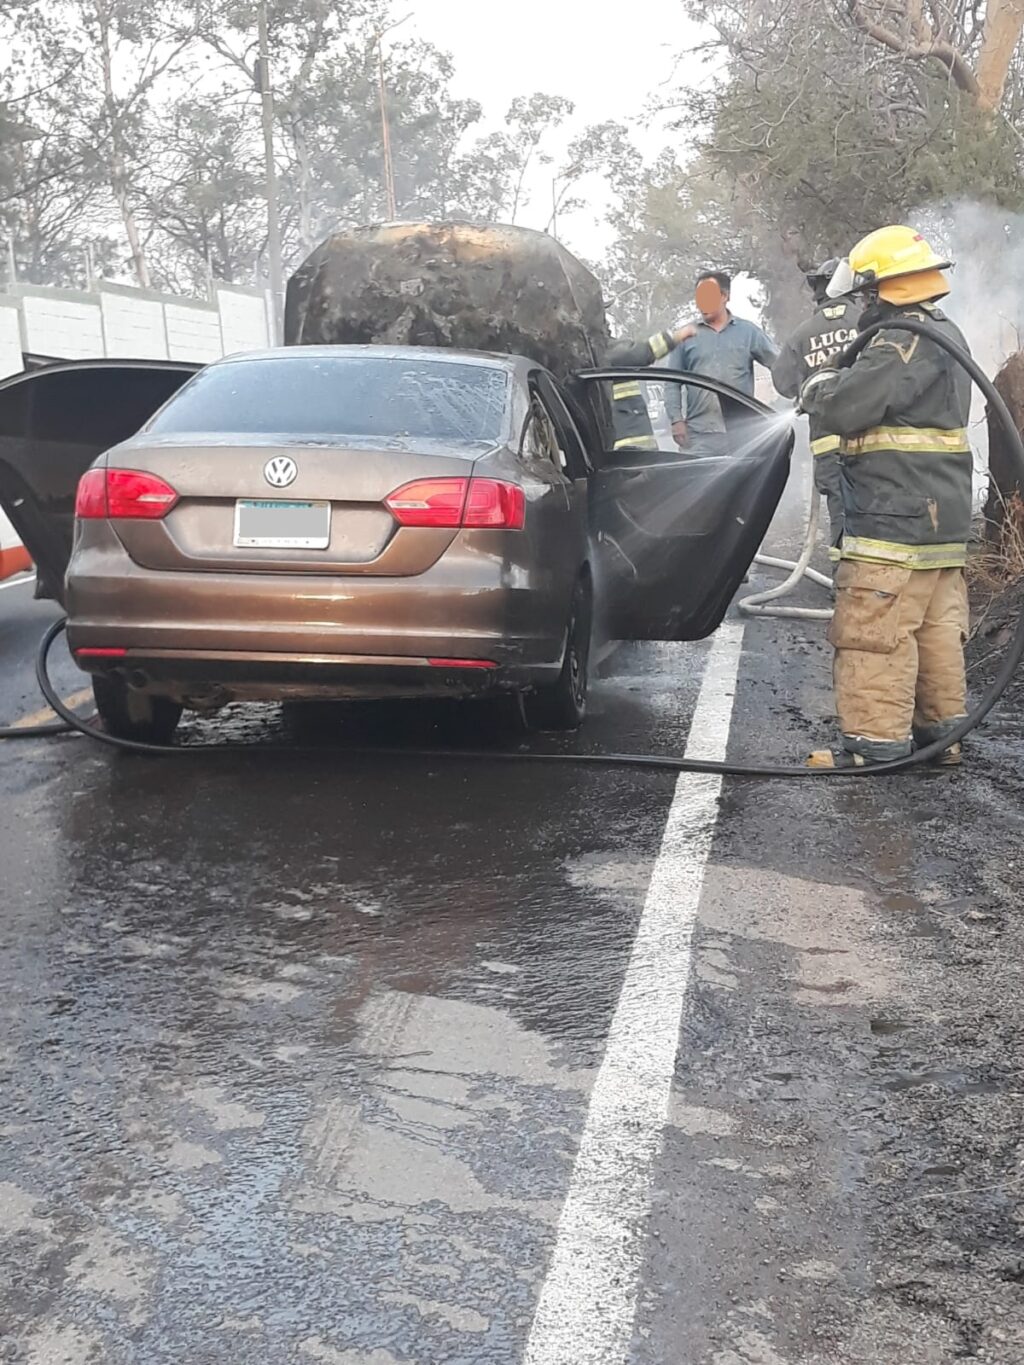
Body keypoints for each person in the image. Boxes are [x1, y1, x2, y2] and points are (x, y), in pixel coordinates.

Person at [799, 225, 972, 768]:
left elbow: (850, 404)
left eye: (864, 295)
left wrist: (819, 388)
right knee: (934, 629)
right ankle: (942, 736)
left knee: (873, 631)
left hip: (893, 517)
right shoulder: (946, 331)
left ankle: (874, 747)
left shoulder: (900, 338)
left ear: (879, 287)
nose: (860, 307)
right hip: (940, 519)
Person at [772, 258, 859, 557]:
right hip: (873, 439)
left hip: (826, 441)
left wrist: (806, 390)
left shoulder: (802, 333)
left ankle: (844, 581)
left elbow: (782, 381)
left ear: (819, 290)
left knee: (841, 511)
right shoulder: (869, 322)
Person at [663, 271, 779, 457]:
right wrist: (676, 420)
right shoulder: (687, 336)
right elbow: (671, 383)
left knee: (743, 484)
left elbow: (780, 365)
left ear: (725, 296)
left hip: (742, 433)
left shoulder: (749, 333)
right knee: (698, 484)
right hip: (699, 436)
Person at [604, 325, 698, 450]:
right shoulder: (598, 350)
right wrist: (675, 337)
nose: (607, 324)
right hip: (628, 449)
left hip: (628, 447)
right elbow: (637, 353)